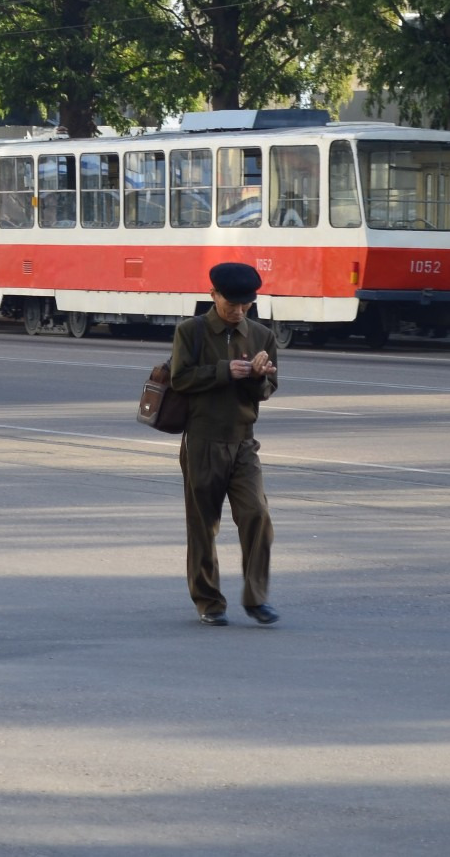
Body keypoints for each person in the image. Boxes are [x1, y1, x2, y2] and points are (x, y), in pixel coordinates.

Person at [169, 263, 279, 626]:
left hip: (244, 443)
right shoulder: (192, 332)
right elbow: (180, 378)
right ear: (213, 294)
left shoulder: (262, 336)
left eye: (245, 305)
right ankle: (209, 601)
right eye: (231, 304)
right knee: (203, 525)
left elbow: (266, 391)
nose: (238, 311)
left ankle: (256, 597)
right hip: (203, 441)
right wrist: (224, 370)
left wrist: (260, 378)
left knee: (257, 516)